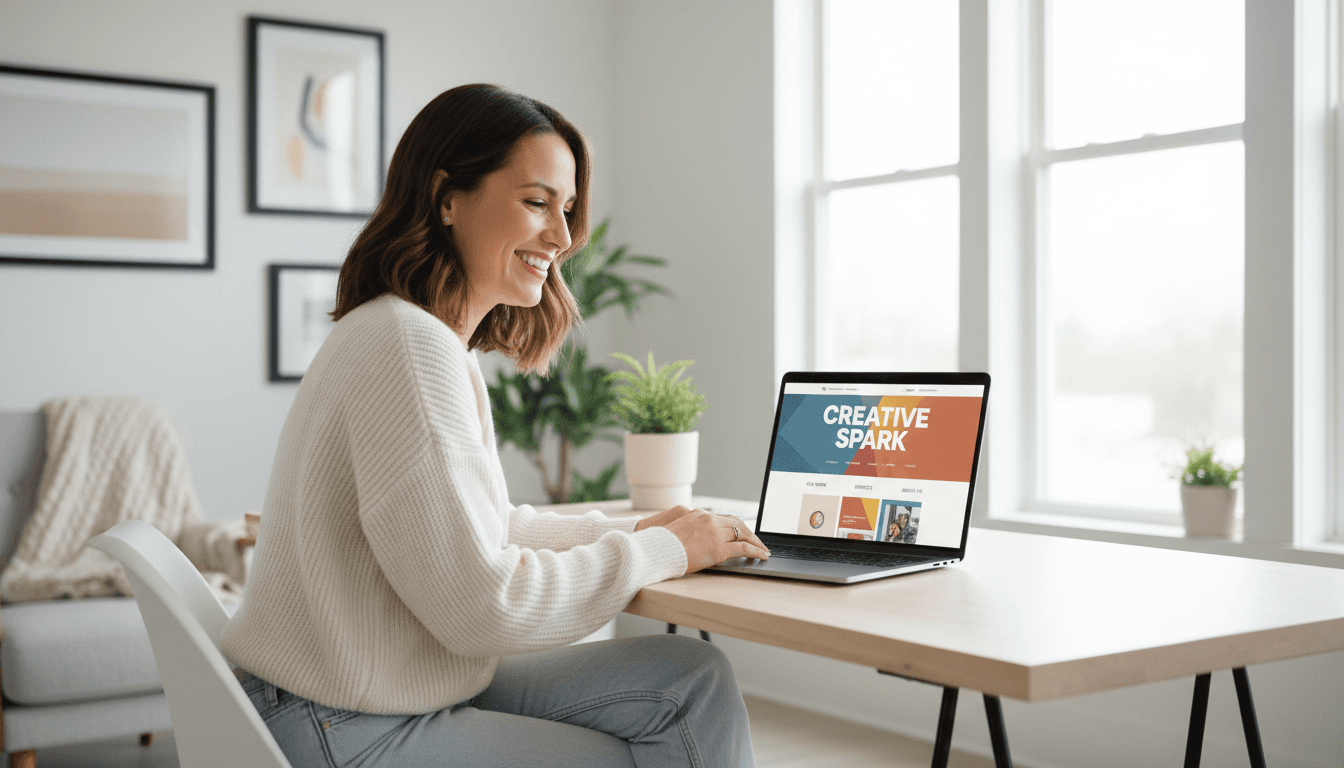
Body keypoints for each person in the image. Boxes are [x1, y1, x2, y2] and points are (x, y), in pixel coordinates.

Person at [221, 83, 770, 768]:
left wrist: (639, 533)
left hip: (358, 695)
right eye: (537, 203)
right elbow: (484, 606)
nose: (562, 238)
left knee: (693, 680)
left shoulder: (418, 337)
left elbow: (486, 529)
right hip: (345, 721)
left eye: (566, 210)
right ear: (446, 197)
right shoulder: (410, 347)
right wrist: (663, 553)